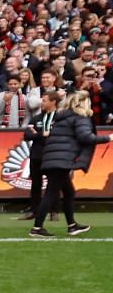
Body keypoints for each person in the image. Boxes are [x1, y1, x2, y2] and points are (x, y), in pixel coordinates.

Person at [30, 90, 105, 237]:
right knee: (51, 193)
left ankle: (72, 225)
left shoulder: (62, 117)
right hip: (62, 159)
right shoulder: (80, 118)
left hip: (53, 157)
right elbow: (86, 137)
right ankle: (37, 228)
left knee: (68, 192)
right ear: (84, 102)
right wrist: (108, 138)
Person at [20, 90, 56, 221]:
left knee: (53, 184)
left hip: (52, 154)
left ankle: (54, 211)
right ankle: (34, 211)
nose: (42, 102)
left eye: (45, 100)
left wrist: (37, 134)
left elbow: (55, 135)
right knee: (35, 184)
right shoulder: (36, 118)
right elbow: (27, 135)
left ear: (53, 102)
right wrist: (41, 134)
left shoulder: (58, 118)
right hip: (36, 155)